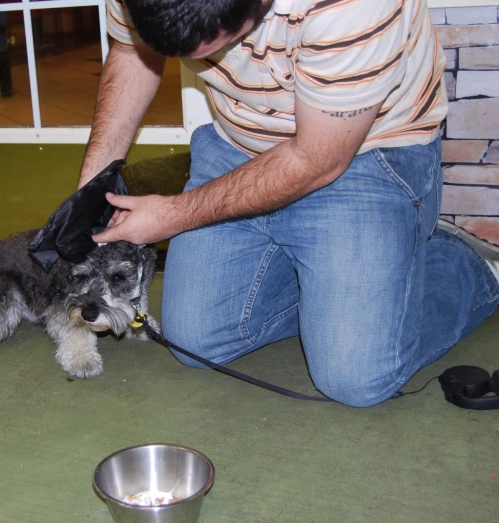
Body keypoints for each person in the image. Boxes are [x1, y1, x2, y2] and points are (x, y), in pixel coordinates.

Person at [76, 0, 499, 407]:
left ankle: (471, 265)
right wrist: (89, 191)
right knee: (193, 339)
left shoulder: (351, 5)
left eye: (215, 46)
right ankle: (337, 284)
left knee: (356, 377)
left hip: (363, 153)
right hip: (236, 147)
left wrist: (172, 215)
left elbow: (317, 160)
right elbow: (133, 53)